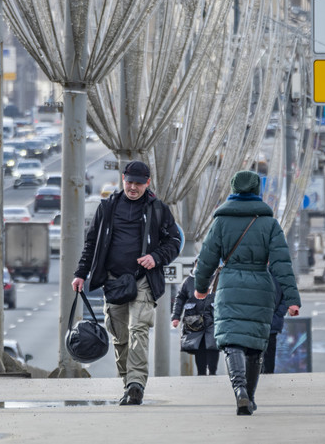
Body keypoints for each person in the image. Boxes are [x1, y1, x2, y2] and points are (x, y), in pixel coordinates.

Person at [72, 160, 182, 406]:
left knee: (138, 330)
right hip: (113, 282)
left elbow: (174, 241)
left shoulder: (158, 209)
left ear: (148, 183)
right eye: (130, 182)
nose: (133, 187)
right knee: (120, 337)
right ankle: (127, 383)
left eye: (139, 183)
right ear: (123, 180)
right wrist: (81, 274)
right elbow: (91, 243)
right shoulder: (107, 207)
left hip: (143, 280)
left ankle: (136, 383)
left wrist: (156, 257)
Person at [193, 170, 301, 416]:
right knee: (254, 346)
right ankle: (249, 397)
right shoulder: (269, 224)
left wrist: (200, 289)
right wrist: (292, 300)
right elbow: (281, 264)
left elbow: (206, 261)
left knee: (232, 342)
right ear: (256, 191)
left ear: (233, 190)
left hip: (229, 286)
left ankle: (240, 390)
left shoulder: (220, 222)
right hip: (261, 289)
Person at [171, 261, 219, 375]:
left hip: (213, 317)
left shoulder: (218, 277)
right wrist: (175, 316)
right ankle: (201, 373)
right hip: (194, 318)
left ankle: (213, 372)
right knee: (199, 346)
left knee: (213, 345)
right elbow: (180, 299)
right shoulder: (188, 281)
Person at [263, 272, 289, 374]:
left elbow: (285, 297)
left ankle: (267, 377)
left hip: (271, 323)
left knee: (269, 357)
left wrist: (278, 314)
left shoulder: (277, 274)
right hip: (259, 322)